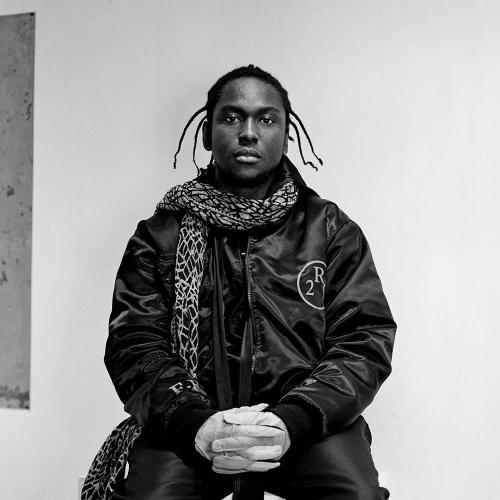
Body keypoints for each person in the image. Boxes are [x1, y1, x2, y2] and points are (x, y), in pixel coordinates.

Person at [84, 65, 396, 500]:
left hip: (305, 423)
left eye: (266, 119)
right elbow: (133, 344)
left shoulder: (330, 230)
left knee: (357, 495)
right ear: (208, 133)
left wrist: (293, 421)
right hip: (191, 421)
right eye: (231, 117)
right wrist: (194, 424)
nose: (248, 132)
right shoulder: (160, 234)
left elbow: (365, 341)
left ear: (286, 135)